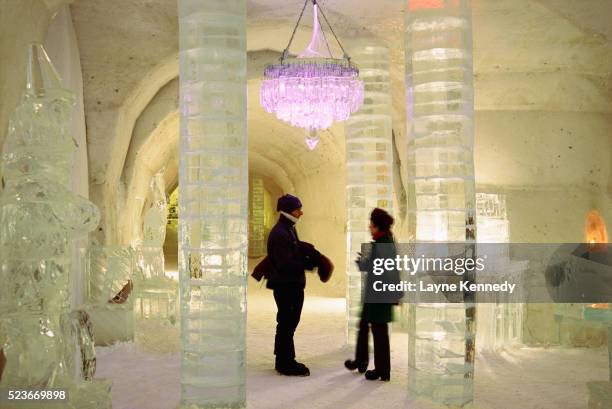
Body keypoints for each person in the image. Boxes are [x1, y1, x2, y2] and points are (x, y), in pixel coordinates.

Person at [344, 208, 400, 381]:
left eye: (372, 224)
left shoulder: (381, 245)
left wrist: (363, 261)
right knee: (367, 327)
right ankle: (361, 362)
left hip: (378, 296)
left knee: (379, 332)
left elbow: (378, 270)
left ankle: (382, 370)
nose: (369, 227)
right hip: (377, 295)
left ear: (378, 226)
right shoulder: (385, 242)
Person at [267, 194, 310, 376]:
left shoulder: (288, 228)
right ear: (287, 211)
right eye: (297, 209)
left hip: (290, 284)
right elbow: (284, 264)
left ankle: (282, 358)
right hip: (286, 285)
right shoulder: (280, 233)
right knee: (287, 322)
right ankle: (286, 362)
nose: (301, 212)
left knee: (288, 322)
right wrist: (307, 262)